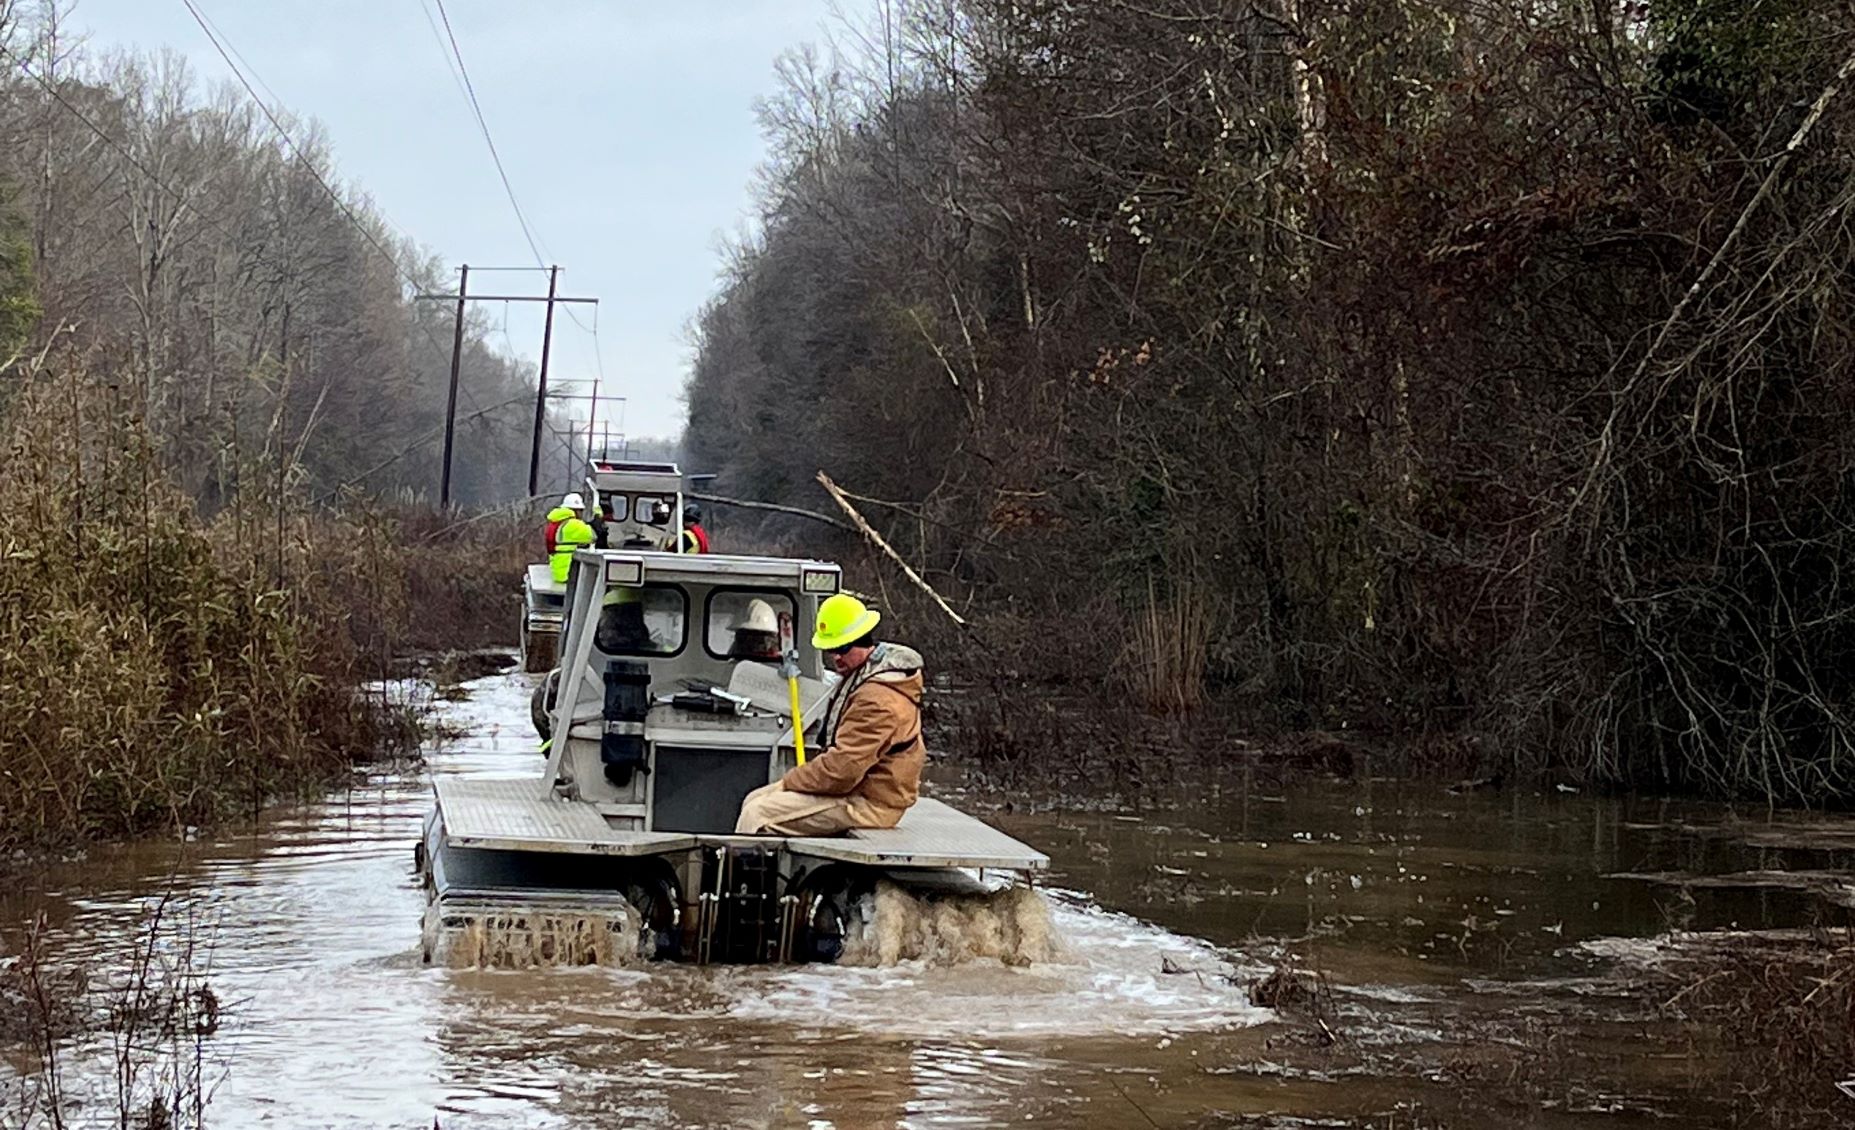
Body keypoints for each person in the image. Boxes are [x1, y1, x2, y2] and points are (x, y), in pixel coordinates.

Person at [735, 593, 924, 836]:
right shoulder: (865, 675)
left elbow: (842, 770)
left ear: (864, 642)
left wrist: (791, 780)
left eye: (842, 648)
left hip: (871, 803)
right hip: (858, 791)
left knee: (757, 813)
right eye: (830, 649)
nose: (836, 657)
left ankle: (745, 873)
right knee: (755, 798)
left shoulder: (878, 700)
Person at [548, 506, 594, 585]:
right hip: (569, 573)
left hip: (559, 572)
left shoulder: (557, 523)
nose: (581, 514)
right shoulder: (573, 524)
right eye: (580, 510)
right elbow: (592, 536)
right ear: (575, 510)